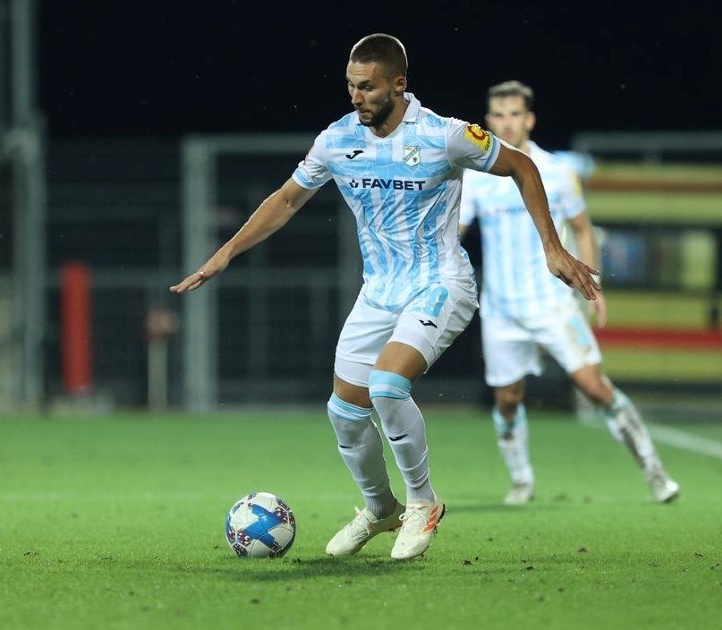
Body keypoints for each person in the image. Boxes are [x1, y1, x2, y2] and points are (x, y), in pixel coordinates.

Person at [171, 34, 599, 560]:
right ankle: (380, 509)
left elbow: (523, 167)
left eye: (367, 86)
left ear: (399, 84)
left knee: (387, 387)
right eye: (351, 86)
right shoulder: (336, 140)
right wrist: (227, 252)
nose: (356, 96)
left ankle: (424, 504)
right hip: (379, 293)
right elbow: (286, 200)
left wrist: (552, 248)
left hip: (441, 283)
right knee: (343, 413)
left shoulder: (446, 136)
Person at [459, 81, 679, 505]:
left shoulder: (557, 171)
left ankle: (655, 471)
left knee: (595, 388)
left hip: (553, 304)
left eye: (514, 114)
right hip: (502, 310)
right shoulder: (477, 177)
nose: (507, 122)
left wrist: (592, 287)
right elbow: (457, 231)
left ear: (529, 119)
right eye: (499, 115)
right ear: (488, 122)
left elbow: (580, 226)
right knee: (507, 401)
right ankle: (522, 480)